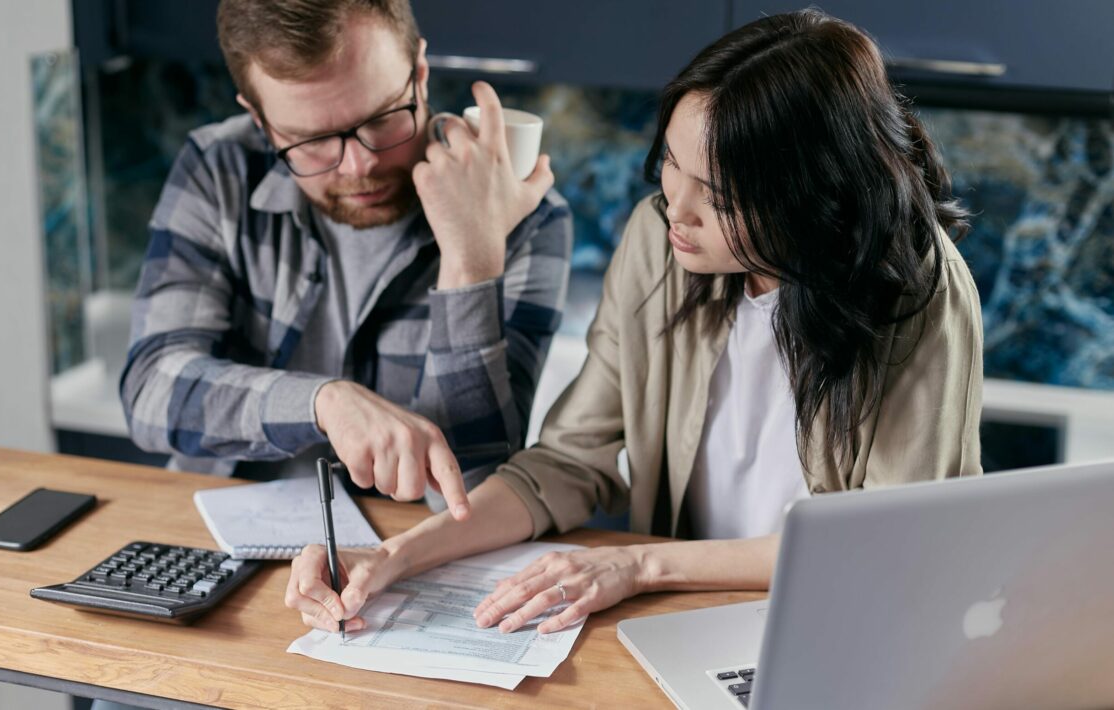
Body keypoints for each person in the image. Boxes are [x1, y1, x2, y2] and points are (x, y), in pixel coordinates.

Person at [284, 9, 983, 636]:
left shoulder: (919, 290)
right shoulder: (660, 241)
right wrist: (396, 555)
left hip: (840, 627)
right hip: (682, 620)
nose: (674, 209)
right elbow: (564, 463)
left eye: (717, 197)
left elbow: (885, 543)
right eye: (671, 167)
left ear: (811, 197)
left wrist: (640, 566)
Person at [120, 0, 573, 519]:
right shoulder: (219, 167)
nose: (361, 166)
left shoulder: (524, 214)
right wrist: (324, 404)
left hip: (410, 555)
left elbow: (473, 492)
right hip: (220, 533)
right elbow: (151, 391)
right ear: (260, 120)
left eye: (382, 119)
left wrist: (470, 261)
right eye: (310, 140)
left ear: (419, 75)